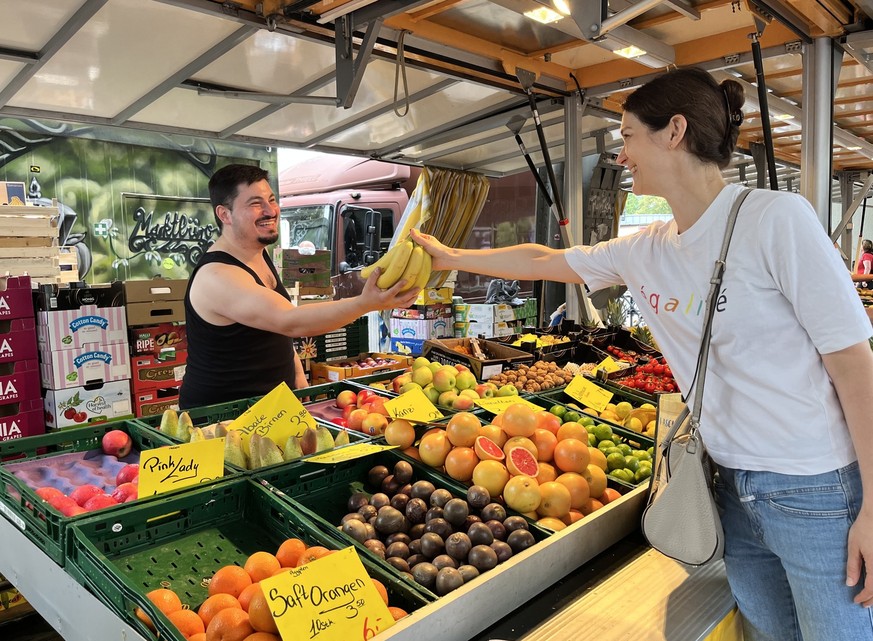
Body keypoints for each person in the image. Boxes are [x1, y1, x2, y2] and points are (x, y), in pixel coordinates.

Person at [412, 67, 873, 640]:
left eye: (628, 136)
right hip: (725, 484)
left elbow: (853, 362)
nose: (622, 154)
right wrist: (450, 257)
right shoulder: (648, 248)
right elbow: (543, 261)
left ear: (674, 131)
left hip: (815, 489)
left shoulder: (776, 220)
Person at [180, 164, 419, 409]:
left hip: (268, 406)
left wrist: (295, 370)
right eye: (254, 204)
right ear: (225, 215)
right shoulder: (218, 276)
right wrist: (365, 302)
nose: (269, 210)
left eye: (271, 199)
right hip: (221, 417)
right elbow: (289, 320)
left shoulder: (256, 254)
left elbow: (272, 324)